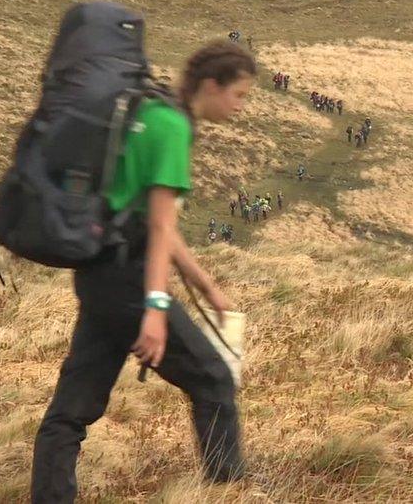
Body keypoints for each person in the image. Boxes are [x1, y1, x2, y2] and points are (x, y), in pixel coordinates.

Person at [31, 40, 256, 502]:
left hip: (98, 275)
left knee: (72, 410)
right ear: (212, 86)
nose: (240, 107)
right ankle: (229, 492)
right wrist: (155, 308)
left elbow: (146, 217)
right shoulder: (172, 126)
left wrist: (205, 284)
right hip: (130, 281)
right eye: (239, 95)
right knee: (213, 381)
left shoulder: (148, 110)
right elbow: (158, 225)